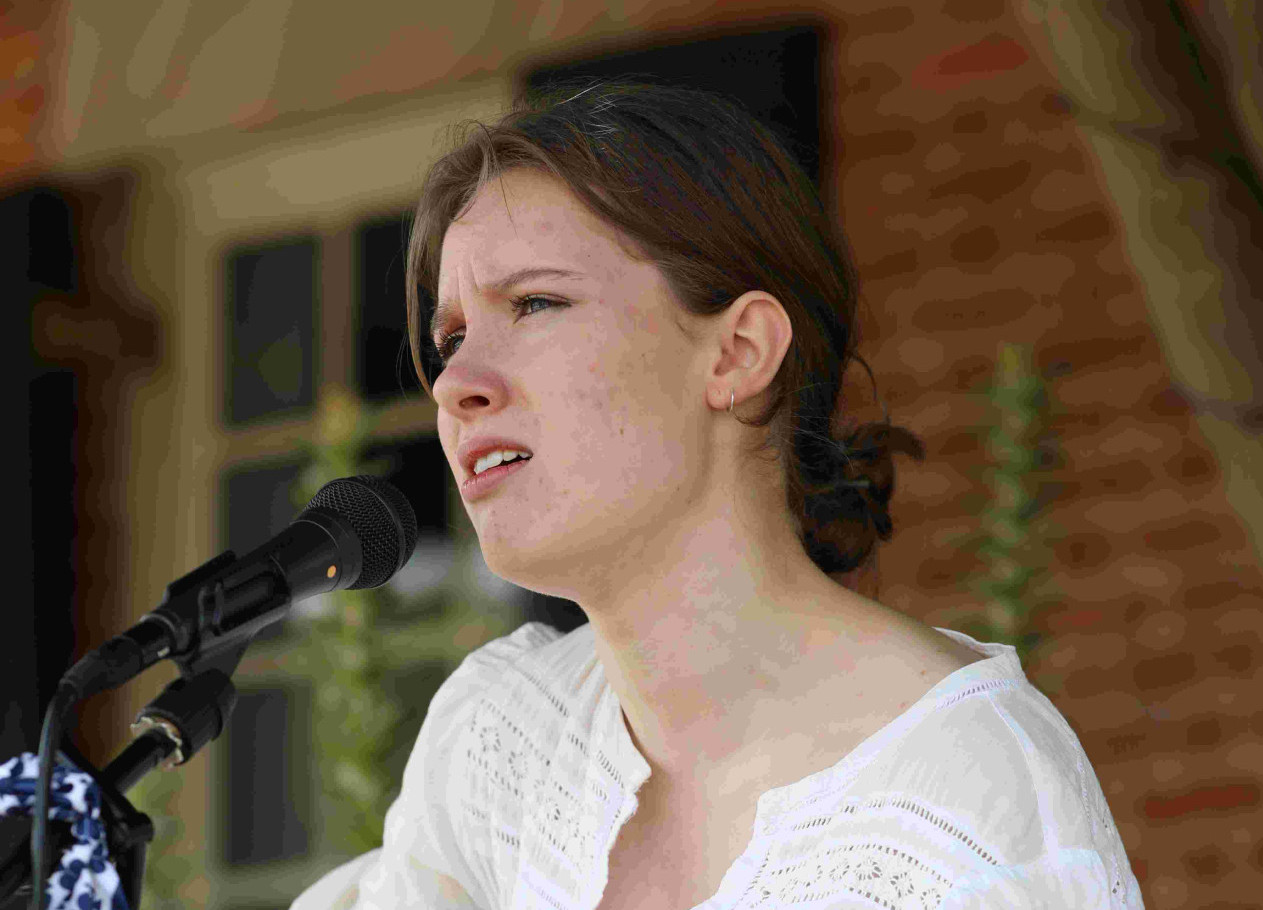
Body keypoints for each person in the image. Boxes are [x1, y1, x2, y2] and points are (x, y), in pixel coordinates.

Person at [291, 78, 1143, 909]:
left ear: (737, 352)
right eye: (450, 337)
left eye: (536, 302)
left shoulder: (967, 803)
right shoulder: (506, 741)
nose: (456, 384)